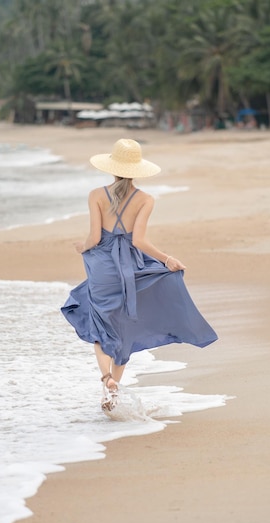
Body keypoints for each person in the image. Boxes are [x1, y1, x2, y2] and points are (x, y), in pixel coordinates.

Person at [61, 138, 218, 412]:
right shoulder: (145, 199)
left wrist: (81, 247)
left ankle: (106, 379)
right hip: (129, 268)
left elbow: (95, 237)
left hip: (102, 267)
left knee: (98, 324)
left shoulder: (96, 195)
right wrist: (167, 259)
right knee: (124, 330)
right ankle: (113, 392)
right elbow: (139, 242)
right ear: (137, 170)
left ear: (112, 167)